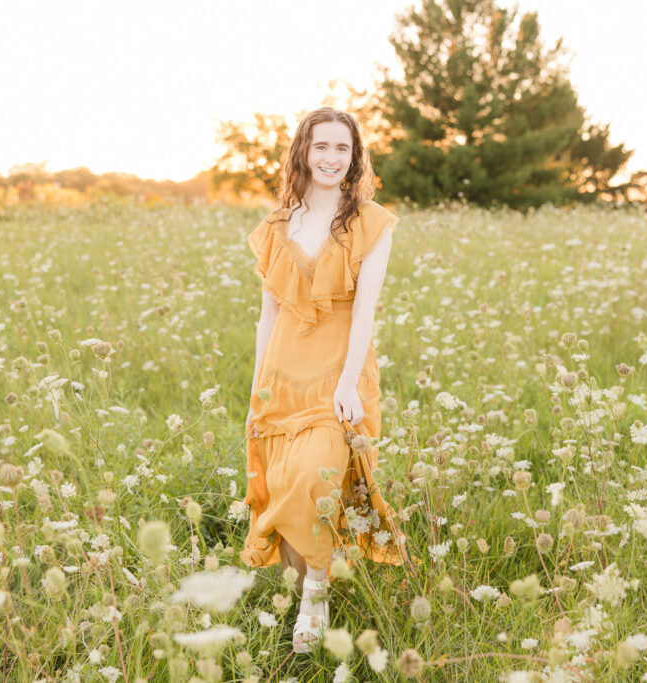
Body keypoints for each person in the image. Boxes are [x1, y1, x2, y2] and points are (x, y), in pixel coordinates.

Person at [240, 107, 406, 654]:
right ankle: (305, 579)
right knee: (284, 485)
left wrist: (348, 383)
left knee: (316, 478)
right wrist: (258, 389)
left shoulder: (372, 222)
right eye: (322, 147)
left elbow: (365, 313)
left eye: (343, 148)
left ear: (355, 156)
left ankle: (315, 593)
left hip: (339, 371)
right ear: (303, 153)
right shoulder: (275, 225)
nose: (332, 158)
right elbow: (268, 315)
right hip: (282, 372)